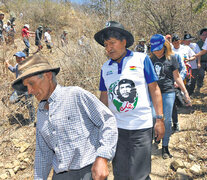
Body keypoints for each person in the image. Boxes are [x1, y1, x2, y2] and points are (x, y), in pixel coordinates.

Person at [11, 54, 118, 180]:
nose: (29, 91)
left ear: (48, 76)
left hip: (88, 172)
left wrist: (102, 157)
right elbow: (43, 153)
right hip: (61, 175)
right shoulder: (41, 112)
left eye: (31, 83)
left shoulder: (75, 95)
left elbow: (108, 121)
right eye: (26, 87)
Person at [94, 21, 165, 180]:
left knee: (138, 174)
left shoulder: (141, 59)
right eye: (106, 44)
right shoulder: (105, 67)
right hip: (116, 129)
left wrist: (159, 119)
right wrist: (101, 124)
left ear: (124, 41)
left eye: (112, 43)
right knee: (120, 173)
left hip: (141, 126)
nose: (108, 48)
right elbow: (104, 96)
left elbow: (154, 89)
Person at [150, 34, 191, 159]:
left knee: (167, 120)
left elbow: (177, 76)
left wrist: (185, 93)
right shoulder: (149, 59)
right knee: (153, 117)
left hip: (168, 91)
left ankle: (165, 147)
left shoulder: (172, 57)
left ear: (164, 45)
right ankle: (157, 135)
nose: (156, 51)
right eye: (154, 49)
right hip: (153, 92)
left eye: (158, 48)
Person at [5, 51, 35, 122]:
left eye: (19, 58)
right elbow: (13, 70)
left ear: (24, 58)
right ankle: (24, 104)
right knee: (12, 100)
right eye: (16, 58)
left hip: (28, 88)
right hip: (19, 88)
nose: (17, 59)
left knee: (30, 105)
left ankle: (32, 120)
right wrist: (8, 64)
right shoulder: (17, 65)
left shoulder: (28, 66)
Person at [195, 27, 207, 93]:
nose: (205, 36)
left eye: (206, 34)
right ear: (200, 36)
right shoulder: (198, 44)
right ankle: (199, 87)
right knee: (201, 75)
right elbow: (197, 53)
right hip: (201, 62)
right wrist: (198, 63)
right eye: (203, 35)